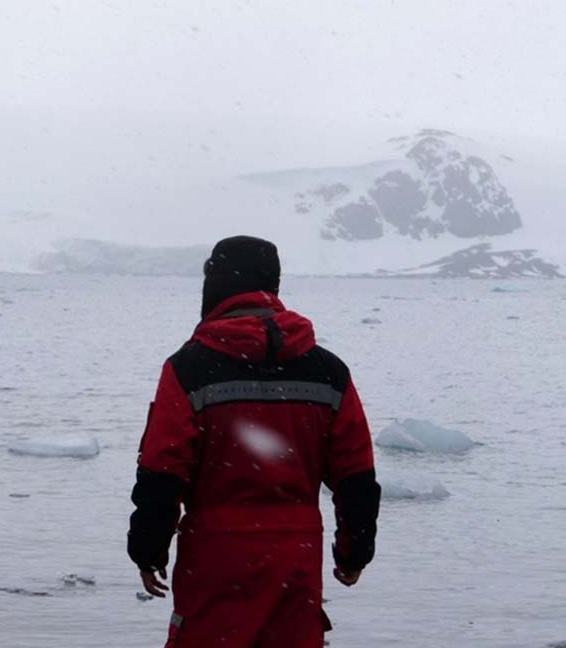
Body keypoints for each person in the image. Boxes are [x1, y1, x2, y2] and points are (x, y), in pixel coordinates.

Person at [127, 235, 380, 647]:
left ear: (215, 285)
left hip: (215, 555)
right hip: (297, 555)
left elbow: (162, 470)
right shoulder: (328, 372)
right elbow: (356, 474)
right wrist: (355, 551)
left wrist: (149, 550)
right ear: (273, 284)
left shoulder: (189, 368)